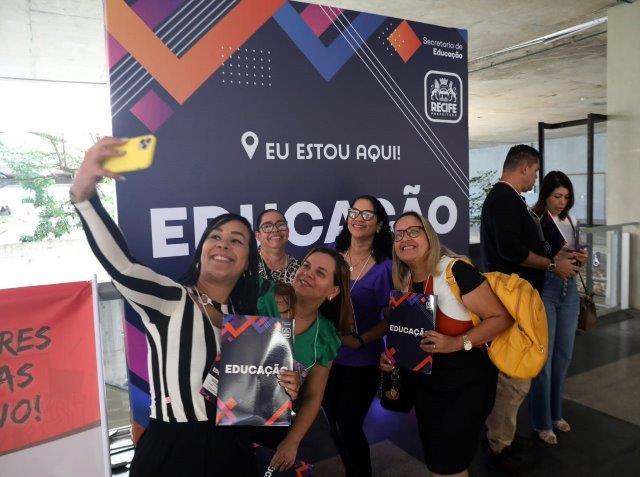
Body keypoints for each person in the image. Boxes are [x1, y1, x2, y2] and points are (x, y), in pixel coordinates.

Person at [69, 137, 301, 477]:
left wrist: (285, 388)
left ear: (247, 262)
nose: (224, 244)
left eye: (236, 240)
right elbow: (123, 266)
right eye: (215, 236)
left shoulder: (251, 325)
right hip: (172, 451)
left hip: (232, 452)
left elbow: (256, 414)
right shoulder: (172, 299)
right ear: (202, 250)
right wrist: (84, 195)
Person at [380, 211, 513, 477]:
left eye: (413, 231)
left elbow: (501, 318)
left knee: (448, 467)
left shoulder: (455, 271)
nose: (405, 238)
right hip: (428, 389)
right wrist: (393, 356)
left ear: (429, 236)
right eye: (399, 234)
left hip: (465, 388)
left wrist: (456, 342)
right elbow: (411, 335)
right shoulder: (405, 280)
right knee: (438, 463)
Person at [480, 145, 579, 471]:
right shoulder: (505, 199)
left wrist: (553, 259)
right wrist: (551, 265)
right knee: (515, 376)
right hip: (513, 297)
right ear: (524, 167)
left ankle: (500, 435)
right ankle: (500, 444)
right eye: (535, 172)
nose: (535, 179)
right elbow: (511, 250)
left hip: (516, 295)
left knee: (514, 375)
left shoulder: (506, 199)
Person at [260, 248, 353, 471]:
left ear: (333, 291)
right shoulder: (263, 297)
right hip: (225, 411)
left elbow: (313, 396)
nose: (307, 273)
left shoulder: (326, 336)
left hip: (274, 423)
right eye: (306, 265)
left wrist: (292, 442)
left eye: (320, 273)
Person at [323, 195, 393, 477]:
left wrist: (361, 340)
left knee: (349, 426)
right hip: (326, 356)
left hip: (362, 360)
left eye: (367, 215)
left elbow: (390, 319)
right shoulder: (330, 253)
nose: (358, 219)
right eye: (354, 212)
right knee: (332, 424)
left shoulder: (385, 267)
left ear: (379, 225)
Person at [528, 171, 587, 445]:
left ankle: (556, 414)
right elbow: (531, 257)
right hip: (547, 289)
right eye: (557, 196)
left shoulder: (571, 221)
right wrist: (554, 258)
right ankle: (542, 421)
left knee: (563, 356)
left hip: (570, 289)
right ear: (546, 195)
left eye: (566, 197)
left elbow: (579, 255)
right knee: (545, 357)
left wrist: (581, 258)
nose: (562, 202)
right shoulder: (536, 221)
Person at [255, 209, 300, 284]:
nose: (275, 230)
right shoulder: (246, 266)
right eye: (267, 226)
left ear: (288, 231)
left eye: (280, 225)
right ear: (258, 235)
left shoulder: (300, 270)